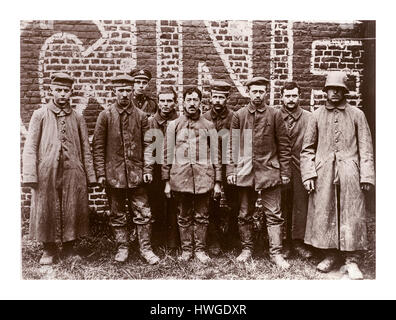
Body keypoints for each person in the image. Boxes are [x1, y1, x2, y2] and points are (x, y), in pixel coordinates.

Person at [300, 71, 375, 279]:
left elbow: (366, 148)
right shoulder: (316, 115)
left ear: (344, 92)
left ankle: (352, 260)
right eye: (331, 89)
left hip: (350, 172)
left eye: (339, 89)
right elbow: (306, 149)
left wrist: (366, 176)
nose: (334, 92)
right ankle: (330, 254)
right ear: (326, 91)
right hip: (323, 173)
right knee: (325, 212)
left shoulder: (357, 114)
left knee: (351, 213)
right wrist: (308, 175)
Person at [22, 72, 96, 265]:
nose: (62, 94)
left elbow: (86, 148)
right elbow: (30, 146)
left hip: (73, 170)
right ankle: (49, 249)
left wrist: (90, 175)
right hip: (47, 170)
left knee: (73, 206)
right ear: (51, 91)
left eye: (66, 91)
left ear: (71, 92)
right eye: (58, 90)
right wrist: (30, 174)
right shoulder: (40, 115)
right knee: (46, 206)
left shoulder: (77, 117)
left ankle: (70, 248)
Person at [93, 74, 160, 265]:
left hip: (137, 175)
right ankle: (122, 248)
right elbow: (98, 146)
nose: (124, 94)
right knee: (117, 214)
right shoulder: (105, 116)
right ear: (114, 91)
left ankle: (146, 249)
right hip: (114, 175)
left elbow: (148, 145)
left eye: (127, 90)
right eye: (120, 90)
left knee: (143, 213)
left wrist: (147, 170)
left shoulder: (141, 117)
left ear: (132, 91)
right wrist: (100, 173)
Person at [227, 77, 292, 269]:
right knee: (245, 213)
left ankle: (276, 253)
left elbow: (284, 145)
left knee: (274, 214)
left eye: (261, 91)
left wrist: (285, 171)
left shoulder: (275, 115)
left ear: (266, 93)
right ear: (248, 92)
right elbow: (232, 145)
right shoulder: (239, 115)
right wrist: (231, 169)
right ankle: (247, 249)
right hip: (246, 172)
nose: (257, 95)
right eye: (254, 91)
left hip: (269, 171)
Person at [162, 87, 222, 263]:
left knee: (202, 215)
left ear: (201, 102)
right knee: (183, 215)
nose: (192, 103)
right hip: (181, 178)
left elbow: (216, 155)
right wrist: (166, 181)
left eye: (196, 100)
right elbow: (166, 154)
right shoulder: (174, 125)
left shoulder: (209, 125)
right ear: (183, 102)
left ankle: (201, 250)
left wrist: (218, 182)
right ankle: (187, 250)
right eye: (189, 100)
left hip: (204, 178)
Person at [203, 80, 238, 255]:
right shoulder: (204, 118)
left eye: (221, 97)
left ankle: (232, 237)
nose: (217, 100)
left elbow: (238, 143)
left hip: (230, 165)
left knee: (234, 202)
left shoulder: (234, 117)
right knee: (211, 203)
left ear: (227, 98)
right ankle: (214, 239)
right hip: (210, 166)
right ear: (210, 97)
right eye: (214, 96)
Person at [279, 81, 314, 259]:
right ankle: (283, 243)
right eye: (288, 96)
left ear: (299, 96)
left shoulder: (309, 117)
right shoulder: (275, 115)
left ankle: (298, 242)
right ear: (282, 97)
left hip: (301, 167)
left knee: (301, 205)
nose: (291, 99)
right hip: (280, 168)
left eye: (294, 95)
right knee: (282, 204)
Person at [146, 87, 180, 250]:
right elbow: (147, 147)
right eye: (163, 101)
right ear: (158, 103)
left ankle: (174, 240)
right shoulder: (150, 122)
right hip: (157, 167)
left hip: (176, 167)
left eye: (169, 101)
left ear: (175, 103)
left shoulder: (181, 121)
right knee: (156, 203)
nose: (166, 104)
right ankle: (157, 239)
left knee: (174, 205)